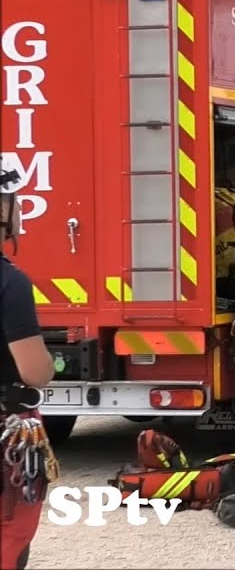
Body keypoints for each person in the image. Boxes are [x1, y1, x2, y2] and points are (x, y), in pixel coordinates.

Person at [0, 171, 56, 570]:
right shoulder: (10, 283)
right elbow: (35, 372)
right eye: (16, 202)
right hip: (9, 425)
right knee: (10, 535)